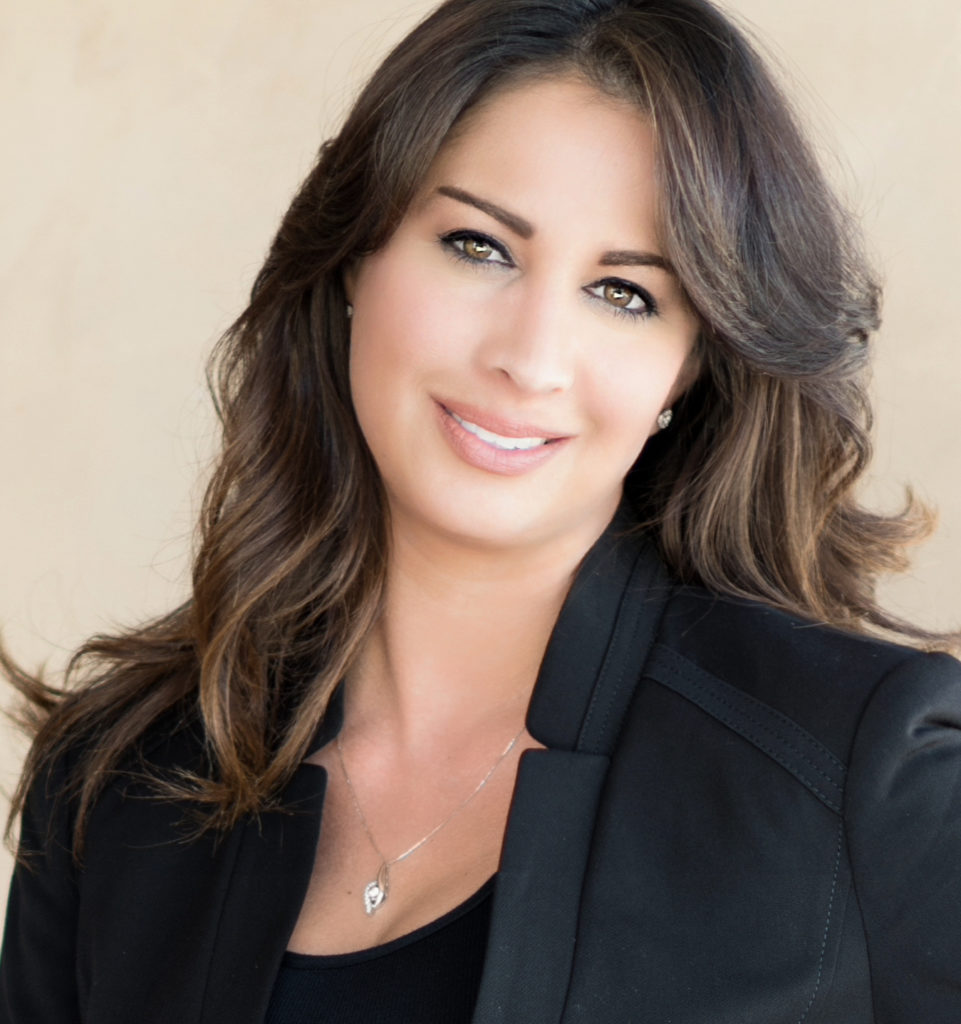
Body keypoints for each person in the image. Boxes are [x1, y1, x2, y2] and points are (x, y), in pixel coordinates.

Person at [2, 0, 960, 1020]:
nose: (530, 357)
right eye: (477, 246)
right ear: (354, 261)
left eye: (626, 294)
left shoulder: (861, 774)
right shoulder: (121, 779)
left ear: (687, 371)